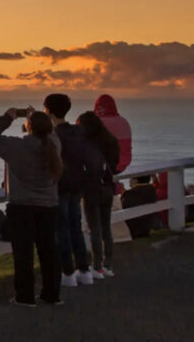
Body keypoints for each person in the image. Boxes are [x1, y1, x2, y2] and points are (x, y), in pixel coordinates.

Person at [0, 107, 63, 307]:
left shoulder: (17, 147)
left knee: (23, 253)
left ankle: (25, 296)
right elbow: (48, 132)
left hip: (21, 207)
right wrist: (36, 116)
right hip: (49, 207)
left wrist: (8, 117)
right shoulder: (54, 143)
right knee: (49, 251)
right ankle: (51, 294)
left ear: (28, 127)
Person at [43, 94, 92, 287]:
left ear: (48, 110)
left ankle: (68, 272)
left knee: (61, 230)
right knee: (76, 227)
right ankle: (84, 271)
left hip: (60, 186)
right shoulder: (79, 131)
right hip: (77, 185)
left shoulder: (53, 136)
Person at [77, 111, 120, 278]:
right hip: (108, 188)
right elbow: (115, 165)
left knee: (94, 228)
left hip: (92, 189)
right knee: (106, 227)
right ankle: (107, 265)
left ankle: (97, 267)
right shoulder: (111, 141)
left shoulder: (86, 145)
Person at [95, 94, 133, 243]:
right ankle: (122, 239)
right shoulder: (124, 122)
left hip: (101, 174)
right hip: (120, 168)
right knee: (114, 212)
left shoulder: (97, 124)